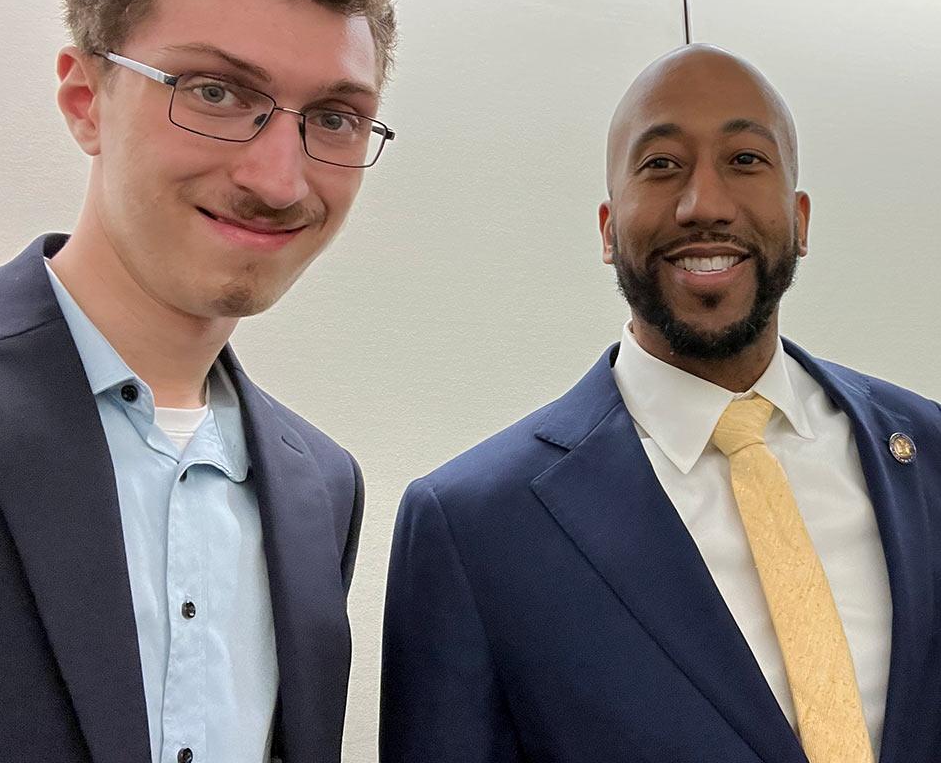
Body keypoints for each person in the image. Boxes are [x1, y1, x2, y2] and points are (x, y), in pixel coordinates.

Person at [381, 44, 941, 763]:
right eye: (661, 165)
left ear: (799, 220)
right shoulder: (472, 526)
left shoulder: (926, 454)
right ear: (608, 228)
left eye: (744, 160)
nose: (702, 203)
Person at [0, 0, 396, 763]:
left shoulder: (324, 487)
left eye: (333, 117)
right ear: (86, 99)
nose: (280, 180)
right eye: (213, 91)